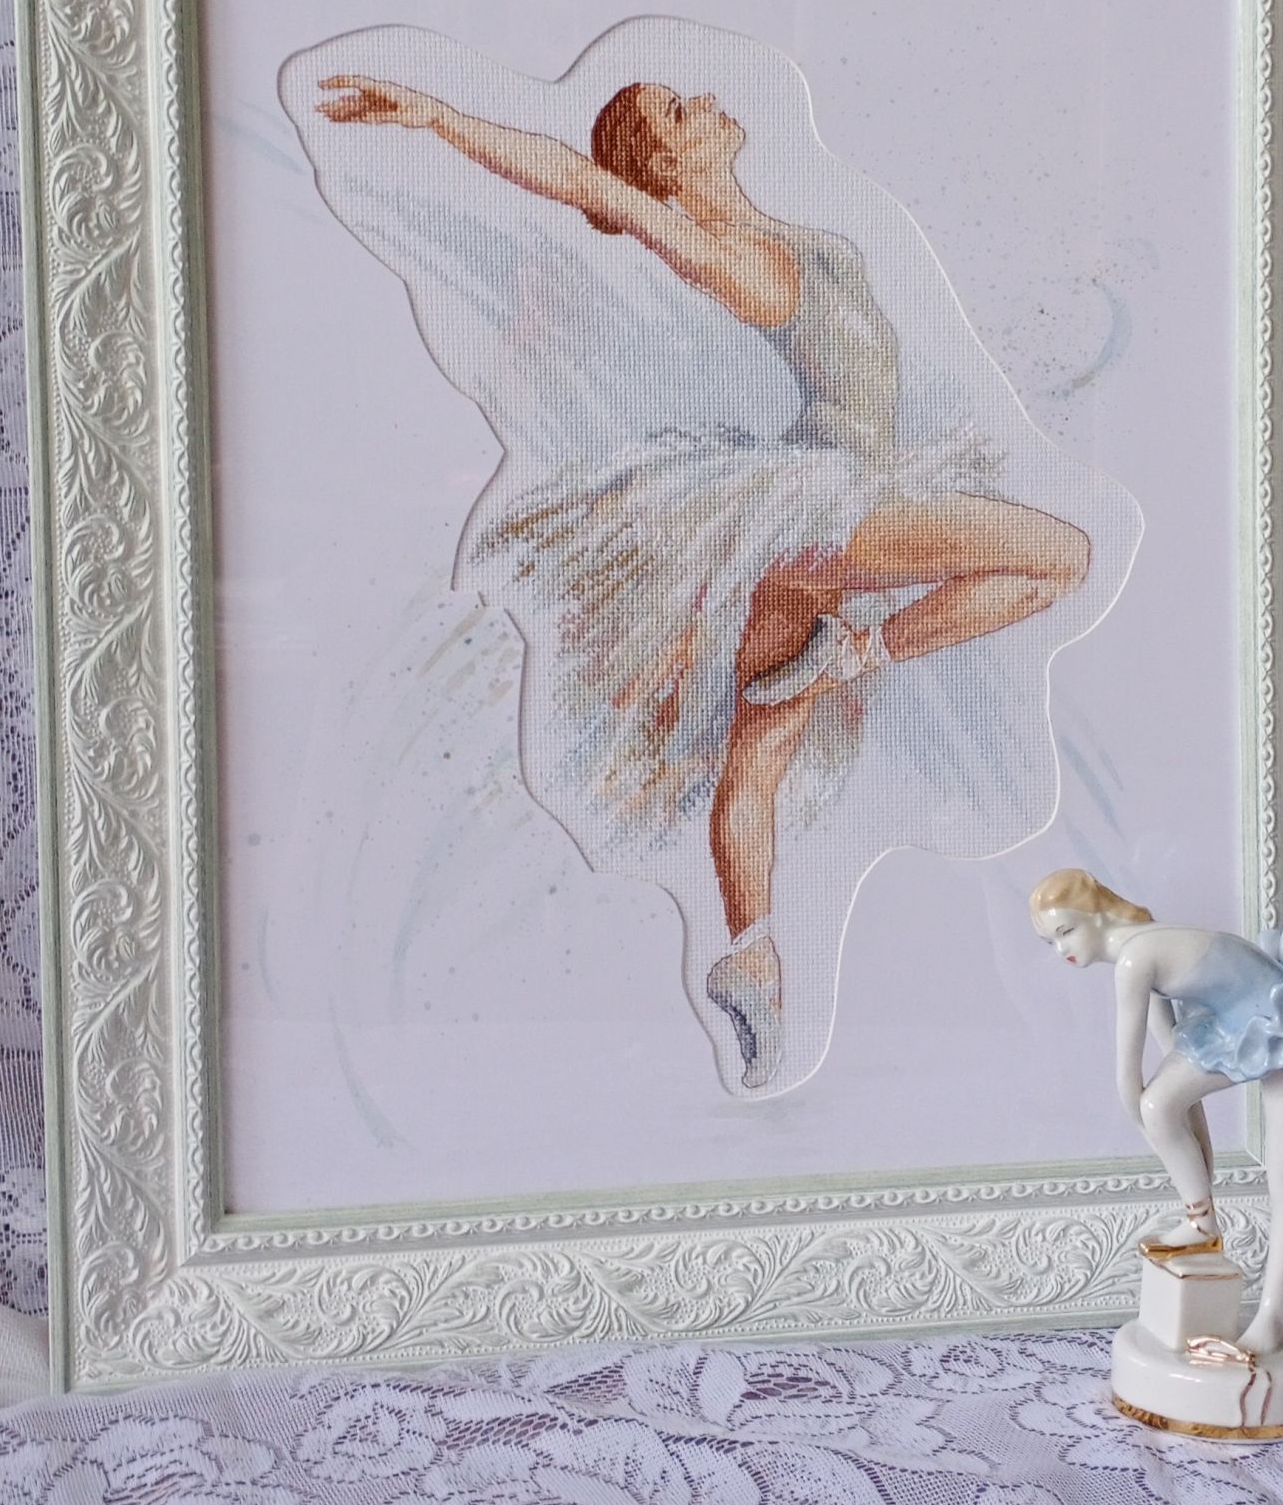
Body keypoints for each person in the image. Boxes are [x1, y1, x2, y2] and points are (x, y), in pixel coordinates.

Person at [315, 68, 1094, 1091]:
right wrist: (439, 116)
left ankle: (751, 957)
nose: (708, 102)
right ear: (668, 163)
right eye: (678, 111)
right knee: (1062, 556)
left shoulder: (766, 232)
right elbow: (583, 183)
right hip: (831, 507)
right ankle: (852, 653)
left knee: (756, 758)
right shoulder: (723, 252)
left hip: (800, 531)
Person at [1028, 866, 1283, 1355]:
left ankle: (1272, 1318)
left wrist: (1148, 1120)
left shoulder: (1135, 958)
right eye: (1050, 941)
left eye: (1066, 930)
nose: (1062, 950)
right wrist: (1178, 1147)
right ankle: (1201, 1222)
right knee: (1161, 1105)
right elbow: (1174, 1064)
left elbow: (1127, 1078)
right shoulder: (1142, 946)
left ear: (1097, 916)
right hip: (1234, 1027)